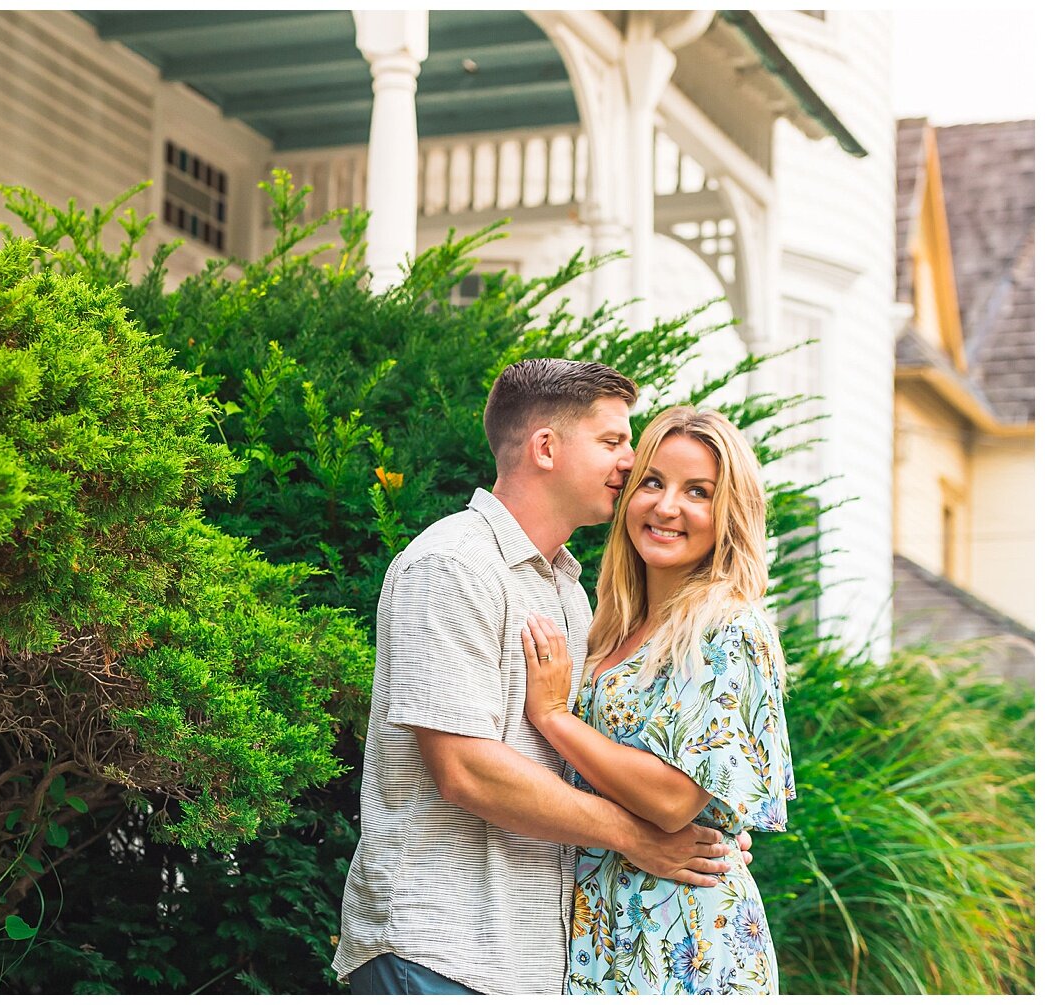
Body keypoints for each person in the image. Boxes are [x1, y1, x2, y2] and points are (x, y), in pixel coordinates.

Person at [333, 361, 751, 996]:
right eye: (613, 441)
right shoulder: (454, 565)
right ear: (546, 448)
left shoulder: (569, 589)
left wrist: (703, 840)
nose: (629, 459)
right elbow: (465, 767)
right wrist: (643, 838)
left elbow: (584, 768)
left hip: (529, 965)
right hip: (435, 950)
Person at [520, 406, 795, 994]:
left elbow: (673, 799)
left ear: (729, 514)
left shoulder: (731, 629)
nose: (667, 507)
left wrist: (551, 717)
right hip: (601, 925)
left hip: (687, 935)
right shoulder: (611, 627)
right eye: (652, 482)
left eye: (698, 491)